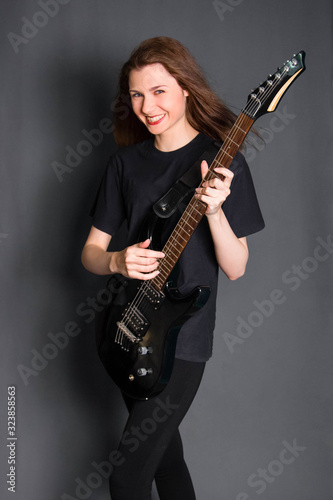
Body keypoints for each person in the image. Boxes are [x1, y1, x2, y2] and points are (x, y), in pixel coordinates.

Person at [81, 36, 265, 500]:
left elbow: (237, 267)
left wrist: (216, 211)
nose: (147, 105)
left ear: (186, 89)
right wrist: (117, 259)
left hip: (183, 340)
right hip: (125, 326)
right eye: (137, 95)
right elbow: (90, 252)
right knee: (166, 462)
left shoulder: (224, 163)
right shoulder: (125, 164)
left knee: (128, 476)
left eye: (159, 91)